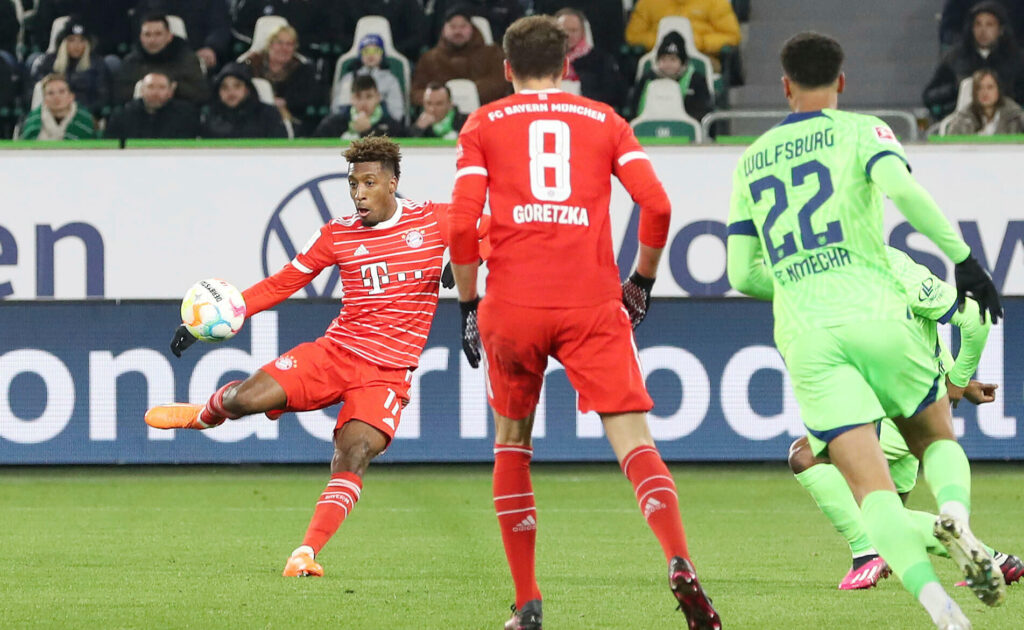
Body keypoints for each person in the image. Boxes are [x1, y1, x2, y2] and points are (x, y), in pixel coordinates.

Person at [448, 15, 720, 630]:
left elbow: (462, 223)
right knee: (636, 443)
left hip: (513, 305)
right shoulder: (605, 120)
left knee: (512, 444)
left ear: (507, 68)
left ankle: (528, 603)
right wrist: (642, 280)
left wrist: (467, 304)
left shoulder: (483, 123)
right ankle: (678, 559)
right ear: (568, 65)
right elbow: (657, 204)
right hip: (591, 303)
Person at [726, 32, 1004, 630]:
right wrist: (964, 260)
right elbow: (902, 189)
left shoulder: (751, 160)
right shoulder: (862, 131)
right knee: (936, 440)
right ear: (842, 82)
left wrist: (800, 282)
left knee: (871, 493)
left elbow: (741, 274)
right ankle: (957, 519)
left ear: (784, 86)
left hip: (807, 337)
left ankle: (941, 609)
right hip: (876, 315)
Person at [145, 136, 490, 579]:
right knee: (243, 400)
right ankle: (205, 415)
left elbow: (497, 230)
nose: (359, 193)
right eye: (353, 184)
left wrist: (470, 256)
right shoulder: (337, 233)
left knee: (355, 453)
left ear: (392, 183)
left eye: (369, 183)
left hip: (386, 374)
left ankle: (304, 554)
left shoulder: (434, 219)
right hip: (335, 354)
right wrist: (214, 319)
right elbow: (282, 283)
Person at [786, 246, 1023, 591]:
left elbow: (975, 318)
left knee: (804, 456)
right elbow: (918, 337)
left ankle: (864, 553)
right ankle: (994, 562)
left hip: (896, 412)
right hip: (903, 406)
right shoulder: (839, 271)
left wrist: (957, 381)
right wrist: (956, 380)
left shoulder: (895, 270)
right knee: (891, 524)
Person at [924, 1, 1024, 120]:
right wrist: (955, 89)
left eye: (989, 25)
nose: (983, 30)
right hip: (962, 123)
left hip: (1009, 124)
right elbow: (930, 96)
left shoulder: (1016, 61)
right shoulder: (955, 59)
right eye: (978, 24)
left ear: (1001, 29)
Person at [411, 6, 509, 107]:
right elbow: (416, 92)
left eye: (463, 26)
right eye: (452, 27)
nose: (457, 31)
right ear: (444, 29)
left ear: (472, 28)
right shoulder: (429, 59)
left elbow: (501, 82)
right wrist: (439, 98)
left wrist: (471, 91)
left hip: (487, 110)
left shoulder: (492, 54)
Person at [114, 13, 210, 106]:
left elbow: (201, 94)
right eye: (147, 35)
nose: (152, 40)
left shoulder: (187, 59)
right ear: (141, 37)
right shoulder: (131, 61)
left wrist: (169, 88)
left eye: (158, 34)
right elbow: (119, 93)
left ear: (169, 36)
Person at [243, 24, 320, 135]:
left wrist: (286, 102)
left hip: (293, 120)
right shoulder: (251, 64)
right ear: (270, 45)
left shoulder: (303, 69)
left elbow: (310, 98)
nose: (284, 48)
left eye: (289, 44)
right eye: (279, 43)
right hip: (252, 117)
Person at [29, 18, 111, 115]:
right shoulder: (48, 63)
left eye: (81, 40)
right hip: (51, 113)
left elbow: (103, 97)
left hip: (85, 114)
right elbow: (36, 93)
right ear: (63, 43)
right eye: (71, 40)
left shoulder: (97, 64)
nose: (77, 45)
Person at [625, 0, 741, 68]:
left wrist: (701, 42)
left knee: (699, 72)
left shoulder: (715, 2)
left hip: (702, 57)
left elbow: (732, 35)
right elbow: (633, 36)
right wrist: (662, 41)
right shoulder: (648, 2)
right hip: (657, 57)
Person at [554, 8, 627, 110]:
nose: (568, 35)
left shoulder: (601, 60)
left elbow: (613, 94)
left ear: (583, 32)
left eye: (573, 30)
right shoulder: (542, 60)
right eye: (563, 30)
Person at [132, 0, 232, 71]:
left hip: (196, 57)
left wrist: (211, 47)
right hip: (151, 61)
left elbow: (220, 26)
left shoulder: (211, 2)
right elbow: (137, 28)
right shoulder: (149, 3)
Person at [633, 31, 713, 121]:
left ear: (682, 62)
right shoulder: (647, 78)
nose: (668, 64)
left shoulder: (696, 80)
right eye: (663, 59)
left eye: (673, 59)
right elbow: (634, 107)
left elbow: (703, 110)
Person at [200, 62, 288, 138]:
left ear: (247, 90)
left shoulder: (268, 114)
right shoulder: (210, 116)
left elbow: (280, 147)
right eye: (224, 87)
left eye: (237, 86)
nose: (231, 92)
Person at [104, 71, 200, 139]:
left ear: (170, 92)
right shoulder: (123, 114)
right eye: (150, 87)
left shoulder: (184, 115)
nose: (155, 93)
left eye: (162, 87)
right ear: (142, 90)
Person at [332, 34, 405, 123]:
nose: (371, 55)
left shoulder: (391, 81)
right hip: (350, 124)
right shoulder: (348, 79)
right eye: (366, 51)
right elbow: (338, 109)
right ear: (360, 55)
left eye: (376, 51)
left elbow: (397, 113)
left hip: (382, 125)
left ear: (382, 55)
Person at [315, 75, 404, 139]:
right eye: (358, 97)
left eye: (369, 97)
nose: (363, 103)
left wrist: (368, 131)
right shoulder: (334, 123)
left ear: (378, 98)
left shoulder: (391, 125)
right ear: (351, 99)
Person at [944, 68, 1024, 133]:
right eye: (979, 88)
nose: (985, 93)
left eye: (990, 87)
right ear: (974, 93)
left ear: (998, 90)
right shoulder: (962, 120)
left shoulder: (1016, 117)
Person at [19, 73, 95, 140]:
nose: (56, 97)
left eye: (62, 91)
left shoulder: (85, 121)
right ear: (44, 99)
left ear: (71, 96)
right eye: (50, 93)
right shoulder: (32, 121)